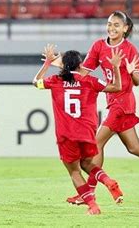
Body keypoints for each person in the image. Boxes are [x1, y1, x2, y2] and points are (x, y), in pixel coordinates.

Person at [54, 11, 139, 199]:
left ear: (125, 29)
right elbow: (83, 72)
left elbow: (137, 81)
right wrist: (62, 67)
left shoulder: (129, 49)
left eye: (116, 25)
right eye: (109, 24)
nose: (111, 28)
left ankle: (88, 193)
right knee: (135, 147)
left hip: (123, 103)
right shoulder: (99, 46)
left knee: (95, 144)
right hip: (113, 102)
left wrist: (131, 71)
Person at [33, 44, 125, 215]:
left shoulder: (55, 81)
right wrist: (115, 67)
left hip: (66, 134)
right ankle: (108, 181)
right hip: (87, 133)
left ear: (64, 65)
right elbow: (117, 87)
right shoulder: (90, 81)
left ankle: (93, 205)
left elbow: (35, 83)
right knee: (87, 164)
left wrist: (47, 64)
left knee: (75, 171)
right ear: (80, 65)